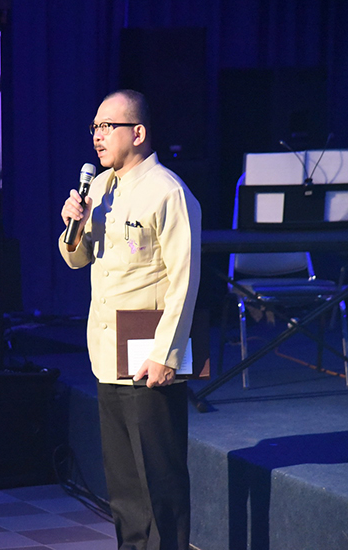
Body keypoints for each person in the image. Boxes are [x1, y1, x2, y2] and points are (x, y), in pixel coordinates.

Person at [59, 90, 201, 550]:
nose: (97, 137)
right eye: (94, 128)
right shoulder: (99, 187)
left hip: (148, 355)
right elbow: (77, 259)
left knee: (159, 482)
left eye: (108, 127)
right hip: (108, 354)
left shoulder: (169, 192)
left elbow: (185, 281)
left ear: (137, 133)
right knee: (124, 490)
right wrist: (73, 224)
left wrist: (166, 355)